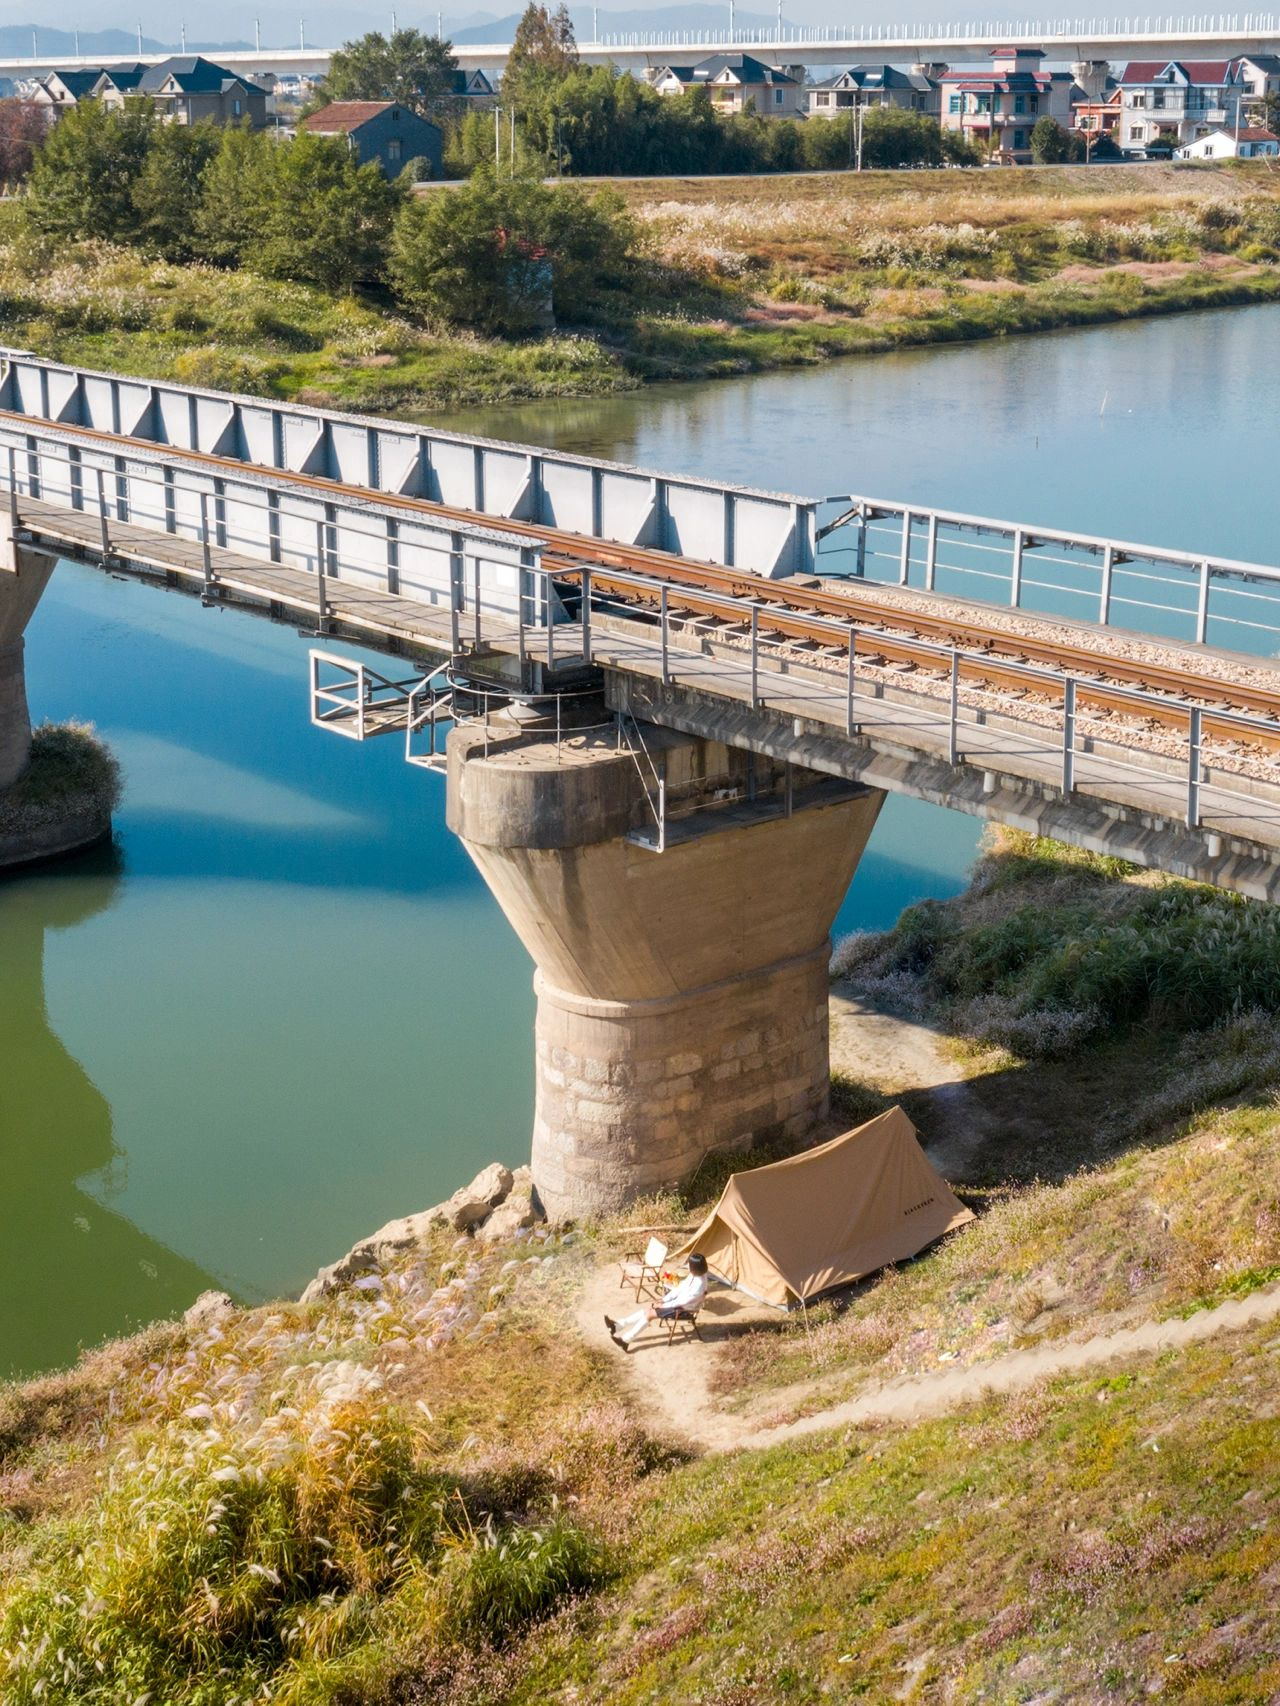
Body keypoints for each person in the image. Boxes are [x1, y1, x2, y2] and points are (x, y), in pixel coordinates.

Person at [605, 1252, 709, 1350]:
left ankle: (625, 1340)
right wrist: (663, 1300)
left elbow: (683, 1302)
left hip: (684, 1309)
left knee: (650, 1314)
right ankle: (617, 1326)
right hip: (677, 1304)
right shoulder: (694, 1274)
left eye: (690, 1264)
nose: (688, 1266)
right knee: (649, 1309)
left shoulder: (699, 1285)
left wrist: (663, 1305)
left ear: (695, 1267)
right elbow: (679, 1289)